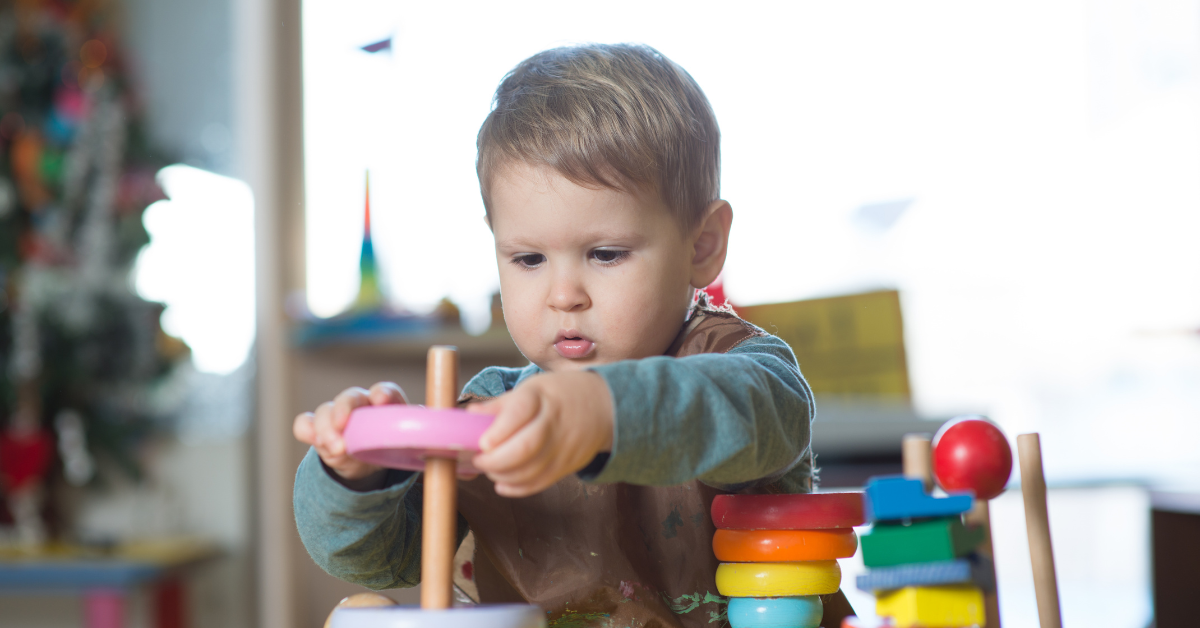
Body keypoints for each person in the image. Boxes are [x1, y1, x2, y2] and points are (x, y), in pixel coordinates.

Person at [293, 43, 849, 627]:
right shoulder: (491, 412)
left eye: (605, 254)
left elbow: (758, 418)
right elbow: (385, 562)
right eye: (529, 259)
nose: (563, 294)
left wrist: (601, 411)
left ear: (702, 245)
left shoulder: (744, 367)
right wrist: (356, 478)